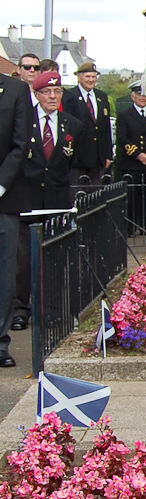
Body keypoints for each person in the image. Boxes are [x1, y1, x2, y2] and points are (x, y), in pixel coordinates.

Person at [12, 72, 83, 332]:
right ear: (37, 94)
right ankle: (21, 309)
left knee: (55, 258)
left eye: (57, 92)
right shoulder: (23, 120)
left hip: (57, 200)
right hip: (27, 199)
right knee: (23, 260)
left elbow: (75, 164)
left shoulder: (72, 124)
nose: (52, 97)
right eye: (47, 92)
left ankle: (51, 309)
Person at [0, 72, 34, 366]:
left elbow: (20, 142)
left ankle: (0, 342)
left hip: (4, 198)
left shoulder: (15, 89)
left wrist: (1, 184)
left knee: (4, 272)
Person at [116, 80, 146, 235]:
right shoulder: (124, 115)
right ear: (133, 96)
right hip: (132, 164)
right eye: (140, 94)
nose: (143, 98)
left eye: (145, 95)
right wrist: (139, 155)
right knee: (132, 198)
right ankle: (130, 228)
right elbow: (123, 138)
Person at [61, 62, 113, 189]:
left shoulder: (102, 96)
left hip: (98, 157)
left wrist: (108, 155)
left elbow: (105, 127)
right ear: (79, 77)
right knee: (77, 195)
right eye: (87, 76)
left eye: (93, 77)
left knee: (95, 196)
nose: (91, 80)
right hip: (78, 156)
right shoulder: (70, 96)